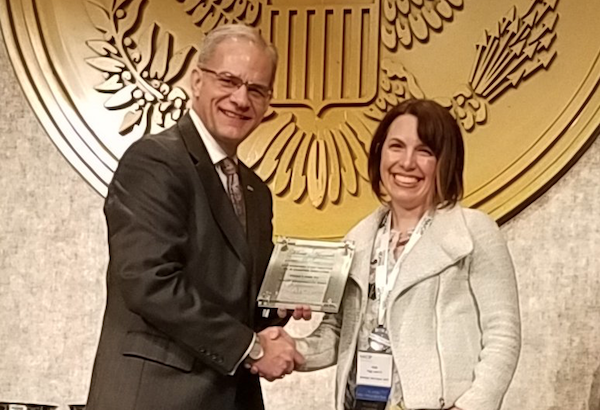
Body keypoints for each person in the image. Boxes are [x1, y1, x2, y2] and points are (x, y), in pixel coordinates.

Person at [86, 24, 305, 410]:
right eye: (229, 80)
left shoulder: (256, 192)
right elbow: (149, 281)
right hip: (155, 398)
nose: (241, 99)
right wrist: (253, 349)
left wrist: (278, 306)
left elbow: (239, 305)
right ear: (197, 81)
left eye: (256, 89)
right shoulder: (155, 161)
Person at [294, 99, 521, 410]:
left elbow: (502, 334)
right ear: (379, 153)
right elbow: (336, 333)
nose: (407, 162)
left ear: (446, 161)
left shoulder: (474, 232)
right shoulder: (357, 241)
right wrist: (287, 351)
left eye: (425, 151)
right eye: (396, 146)